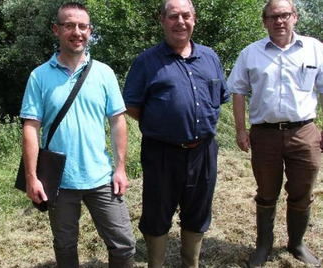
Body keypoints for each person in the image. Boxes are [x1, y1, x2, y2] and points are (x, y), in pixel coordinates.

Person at [20, 2, 136, 267]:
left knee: (124, 244)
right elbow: (30, 128)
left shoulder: (104, 73)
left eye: (82, 26)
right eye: (69, 25)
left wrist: (120, 169)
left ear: (90, 31)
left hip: (101, 177)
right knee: (65, 246)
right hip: (58, 181)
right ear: (56, 30)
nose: (77, 32)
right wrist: (31, 177)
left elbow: (118, 121)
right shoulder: (38, 77)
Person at [123, 0, 230, 267]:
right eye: (173, 16)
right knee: (157, 213)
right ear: (162, 20)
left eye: (185, 15)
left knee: (198, 210)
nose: (180, 22)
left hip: (204, 150)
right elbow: (132, 106)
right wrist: (164, 124)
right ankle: (156, 264)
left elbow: (221, 97)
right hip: (161, 152)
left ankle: (190, 263)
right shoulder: (147, 61)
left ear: (194, 19)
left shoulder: (210, 57)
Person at [227, 0, 322, 266]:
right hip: (264, 135)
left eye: (284, 15)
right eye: (272, 17)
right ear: (264, 21)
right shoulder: (250, 53)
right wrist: (240, 129)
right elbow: (238, 91)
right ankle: (263, 246)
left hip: (304, 133)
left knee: (302, 191)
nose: (279, 21)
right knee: (267, 192)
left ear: (295, 17)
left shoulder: (315, 49)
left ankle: (297, 244)